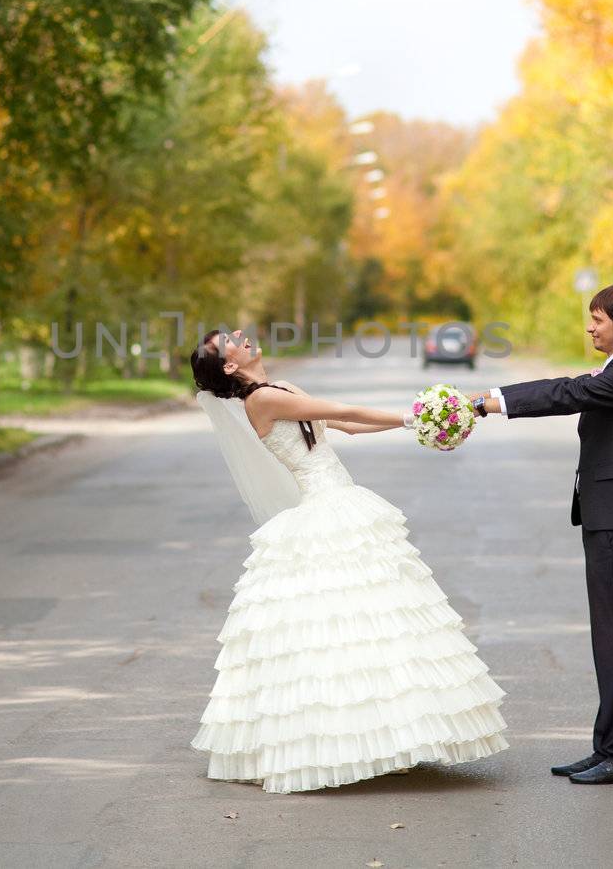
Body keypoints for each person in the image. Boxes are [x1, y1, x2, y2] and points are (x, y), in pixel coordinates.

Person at [189, 328, 508, 793]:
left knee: (383, 623)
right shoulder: (261, 400)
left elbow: (349, 427)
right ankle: (348, 741)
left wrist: (420, 425)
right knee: (342, 629)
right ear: (231, 367)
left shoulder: (281, 390)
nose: (241, 335)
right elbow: (344, 411)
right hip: (326, 506)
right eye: (229, 341)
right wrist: (416, 414)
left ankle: (399, 735)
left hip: (344, 499)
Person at [466, 283, 613, 785]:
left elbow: (568, 392)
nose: (589, 327)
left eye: (597, 319)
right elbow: (576, 388)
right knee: (608, 633)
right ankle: (610, 747)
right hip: (607, 511)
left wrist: (494, 401)